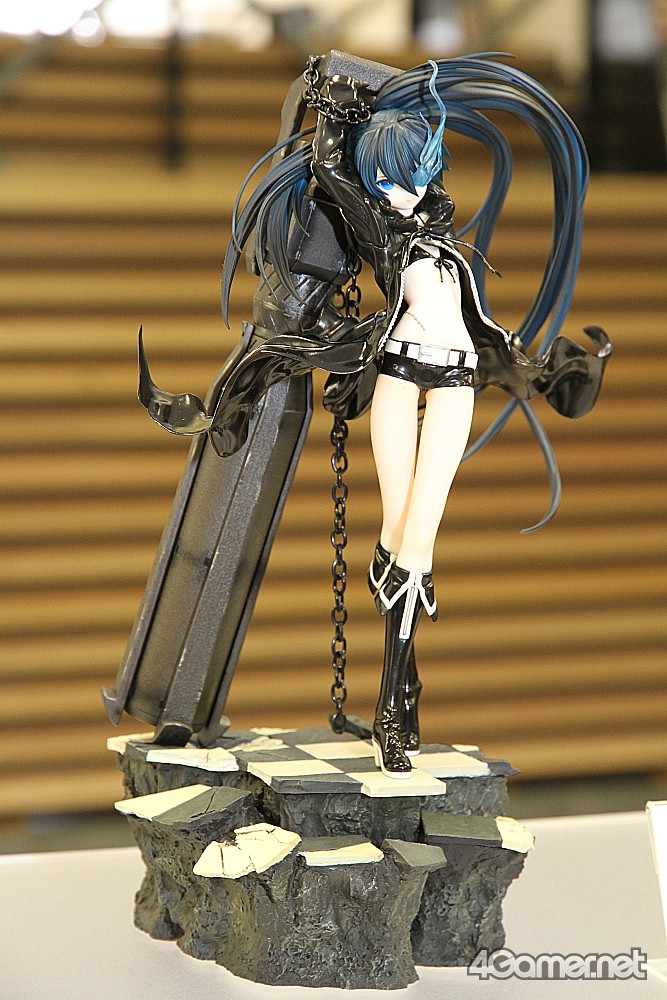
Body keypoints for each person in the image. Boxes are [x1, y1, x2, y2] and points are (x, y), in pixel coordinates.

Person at [138, 54, 611, 778]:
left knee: (419, 535)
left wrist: (542, 366)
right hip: (397, 376)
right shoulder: (384, 234)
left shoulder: (445, 243)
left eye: (414, 175)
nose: (402, 191)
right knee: (401, 530)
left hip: (456, 381)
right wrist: (333, 110)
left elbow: (475, 316)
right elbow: (334, 172)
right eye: (387, 179)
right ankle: (397, 702)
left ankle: (400, 687)